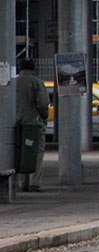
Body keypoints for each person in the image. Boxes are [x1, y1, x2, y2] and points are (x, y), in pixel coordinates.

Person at [16, 59, 50, 193]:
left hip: (17, 122)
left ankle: (21, 183)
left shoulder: (14, 82)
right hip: (33, 123)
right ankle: (34, 182)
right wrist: (44, 116)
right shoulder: (36, 82)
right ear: (34, 67)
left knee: (21, 151)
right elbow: (43, 103)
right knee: (37, 151)